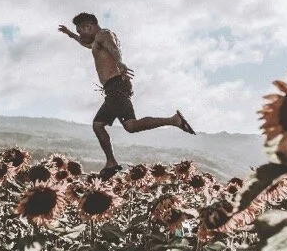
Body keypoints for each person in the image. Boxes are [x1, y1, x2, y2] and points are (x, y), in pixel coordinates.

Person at [58, 13, 195, 179]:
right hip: (112, 88)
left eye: (80, 30)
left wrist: (120, 63)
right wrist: (70, 34)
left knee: (130, 126)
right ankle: (111, 163)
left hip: (117, 85)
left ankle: (174, 120)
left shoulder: (104, 35)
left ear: (89, 26)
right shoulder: (96, 41)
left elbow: (113, 49)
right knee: (98, 124)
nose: (80, 34)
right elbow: (85, 44)